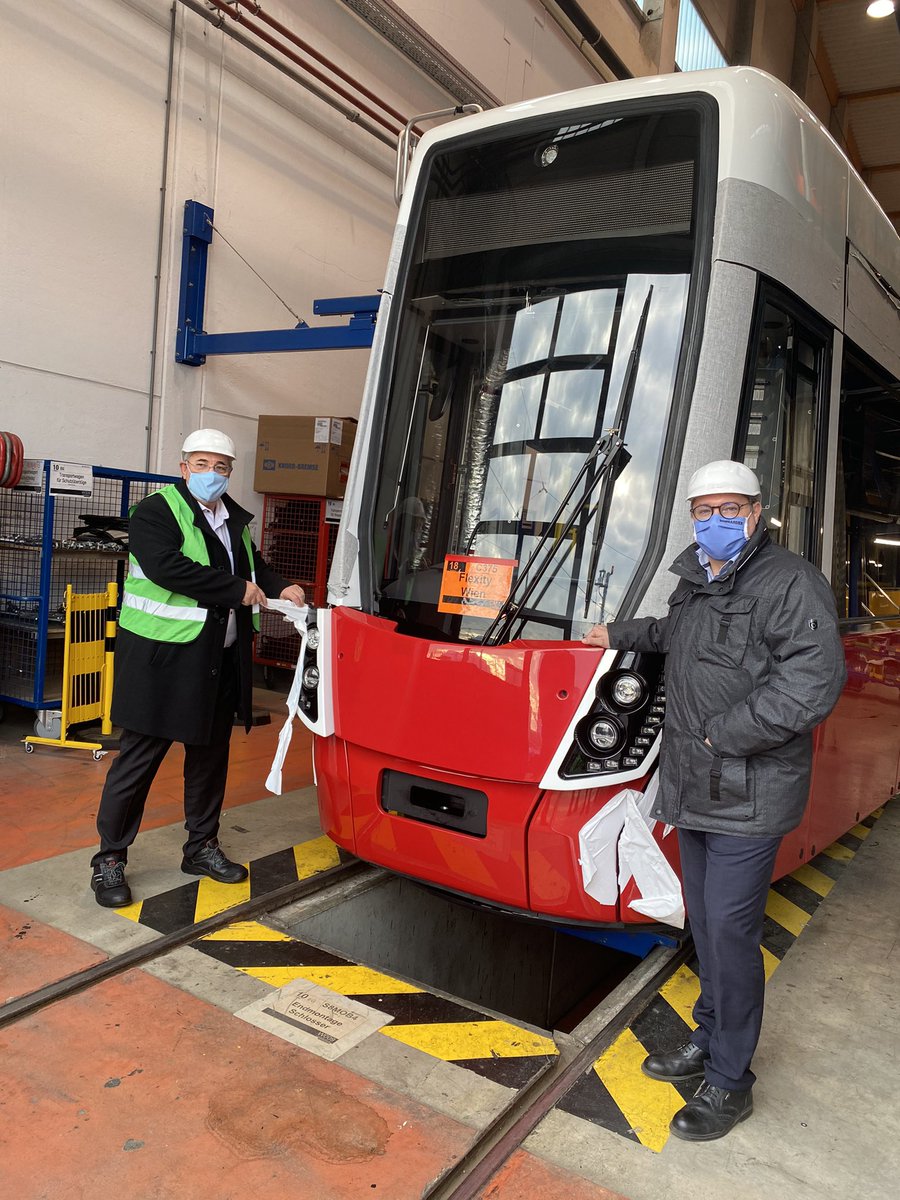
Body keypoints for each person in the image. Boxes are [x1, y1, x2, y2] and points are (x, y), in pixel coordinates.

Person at [582, 459, 845, 1141]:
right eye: (704, 510)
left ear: (756, 514)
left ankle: (731, 1081)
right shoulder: (697, 579)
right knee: (704, 925)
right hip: (695, 788)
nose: (715, 521)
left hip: (749, 792)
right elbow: (677, 638)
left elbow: (812, 682)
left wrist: (720, 735)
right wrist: (616, 635)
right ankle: (708, 1038)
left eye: (730, 509)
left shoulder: (789, 582)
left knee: (730, 934)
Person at [90, 429, 306, 907]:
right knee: (139, 760)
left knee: (210, 757)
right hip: (161, 658)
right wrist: (236, 590)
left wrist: (280, 584)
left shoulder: (233, 519)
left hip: (217, 659)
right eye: (203, 464)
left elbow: (253, 565)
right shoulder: (155, 512)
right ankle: (110, 859)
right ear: (184, 467)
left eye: (222, 467)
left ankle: (201, 846)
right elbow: (168, 568)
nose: (212, 474)